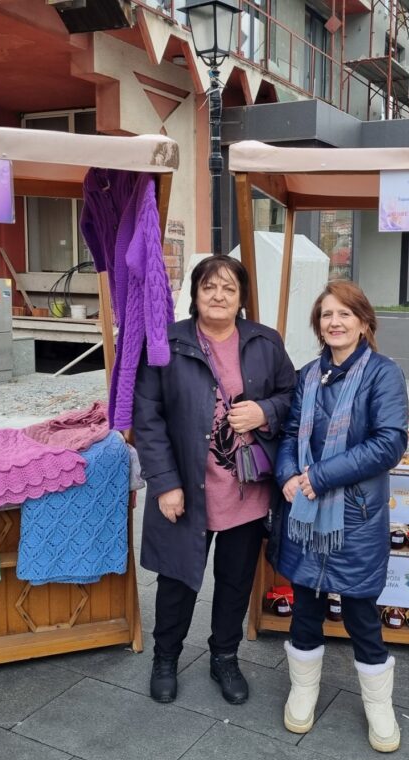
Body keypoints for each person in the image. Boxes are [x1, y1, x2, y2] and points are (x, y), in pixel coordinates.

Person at [134, 255, 295, 705]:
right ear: (194, 293)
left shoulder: (265, 342)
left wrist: (265, 411)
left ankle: (224, 656)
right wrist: (165, 483)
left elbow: (292, 396)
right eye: (209, 286)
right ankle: (166, 658)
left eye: (228, 288)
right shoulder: (166, 344)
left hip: (247, 490)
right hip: (186, 488)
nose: (218, 296)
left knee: (235, 580)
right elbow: (147, 417)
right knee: (176, 580)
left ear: (241, 297)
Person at [273, 280, 408, 753]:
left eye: (345, 314)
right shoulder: (308, 375)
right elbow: (290, 432)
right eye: (327, 314)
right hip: (305, 514)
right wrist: (288, 475)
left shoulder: (383, 374)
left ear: (364, 322)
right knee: (305, 606)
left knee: (360, 613)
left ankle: (379, 707)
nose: (335, 322)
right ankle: (303, 691)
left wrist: (320, 475)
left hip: (356, 516)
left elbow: (390, 442)